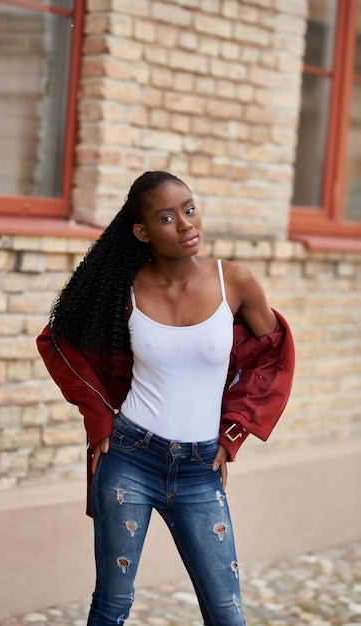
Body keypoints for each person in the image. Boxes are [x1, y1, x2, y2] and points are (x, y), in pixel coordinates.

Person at [37, 171, 295, 626]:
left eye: (189, 209)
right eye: (167, 217)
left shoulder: (234, 280)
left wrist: (232, 432)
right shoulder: (125, 290)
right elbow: (59, 343)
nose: (185, 224)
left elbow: (272, 357)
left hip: (200, 472)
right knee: (112, 606)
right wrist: (98, 418)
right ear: (143, 232)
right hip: (130, 457)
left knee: (227, 613)